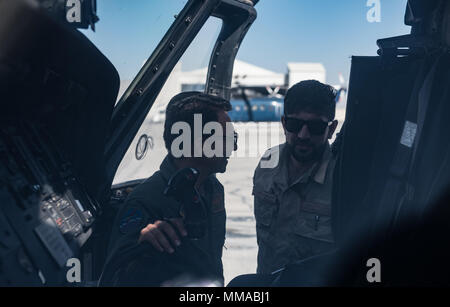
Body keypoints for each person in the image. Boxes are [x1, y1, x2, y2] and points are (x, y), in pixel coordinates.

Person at [101, 92, 236, 286]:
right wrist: (140, 245)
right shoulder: (146, 201)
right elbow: (112, 278)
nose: (234, 147)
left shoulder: (213, 189)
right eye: (227, 138)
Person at [253, 80, 339, 275]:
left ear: (331, 129)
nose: (303, 135)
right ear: (284, 124)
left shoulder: (343, 178)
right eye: (295, 124)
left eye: (315, 127)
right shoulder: (267, 162)